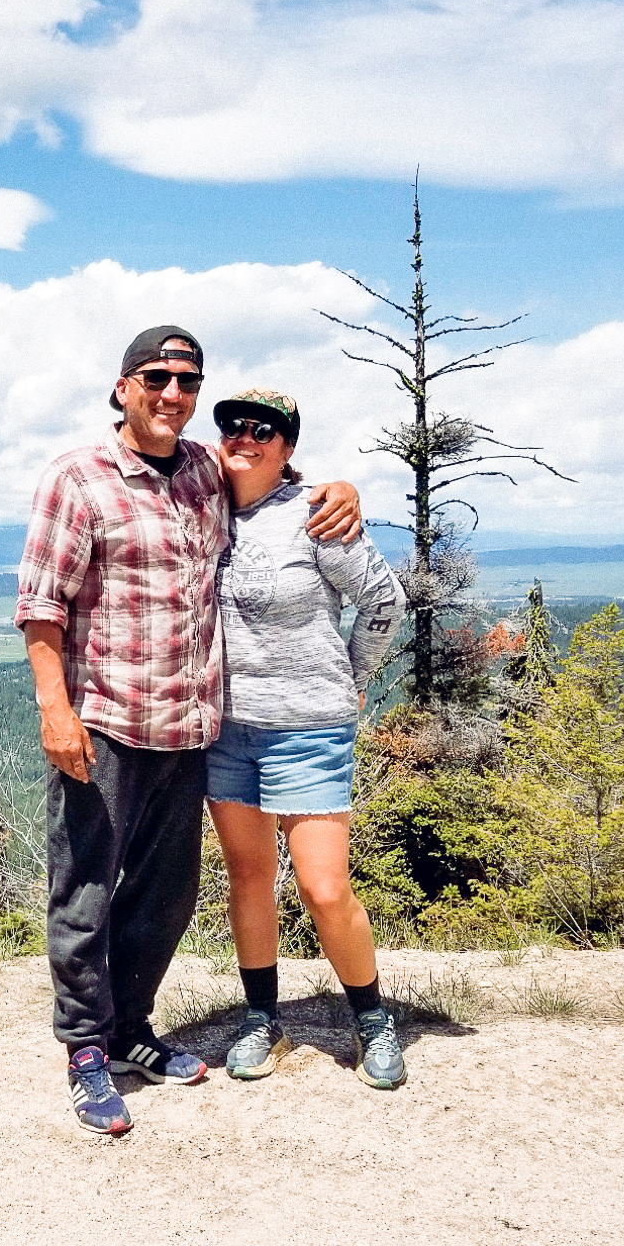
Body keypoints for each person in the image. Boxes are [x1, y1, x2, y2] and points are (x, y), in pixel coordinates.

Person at [16, 329, 363, 1135]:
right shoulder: (78, 478)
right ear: (123, 387)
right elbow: (41, 604)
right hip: (102, 721)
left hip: (187, 727)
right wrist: (54, 709)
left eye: (187, 380)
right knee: (86, 893)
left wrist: (343, 488)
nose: (173, 392)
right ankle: (85, 1050)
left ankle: (131, 1029)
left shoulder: (206, 471)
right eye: (157, 377)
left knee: (166, 898)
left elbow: (273, 478)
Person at [205, 387, 409, 1089]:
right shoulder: (201, 507)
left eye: (266, 429)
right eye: (234, 424)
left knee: (324, 889)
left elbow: (385, 601)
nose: (246, 436)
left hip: (310, 728)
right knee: (249, 877)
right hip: (227, 728)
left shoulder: (318, 515)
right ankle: (264, 1019)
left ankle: (374, 1019)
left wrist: (352, 679)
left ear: (288, 448)